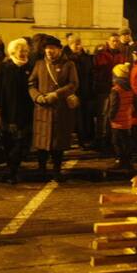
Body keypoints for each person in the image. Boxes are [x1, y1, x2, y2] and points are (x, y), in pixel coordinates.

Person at [29, 35, 79, 178]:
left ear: (59, 49)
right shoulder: (39, 64)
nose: (49, 51)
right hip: (42, 108)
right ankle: (41, 169)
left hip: (60, 109)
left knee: (59, 142)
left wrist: (56, 94)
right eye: (47, 49)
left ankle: (57, 170)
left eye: (52, 48)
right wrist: (37, 96)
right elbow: (31, 83)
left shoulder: (69, 65)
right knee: (41, 141)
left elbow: (73, 84)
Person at [0, 38, 34, 183]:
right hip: (8, 110)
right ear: (13, 51)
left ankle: (13, 170)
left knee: (22, 142)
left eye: (25, 50)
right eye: (21, 50)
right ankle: (12, 171)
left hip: (26, 110)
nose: (23, 53)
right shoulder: (6, 67)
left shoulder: (30, 66)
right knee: (9, 141)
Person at [93, 34, 128, 150]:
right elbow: (96, 71)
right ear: (108, 41)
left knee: (114, 114)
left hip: (117, 89)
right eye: (113, 41)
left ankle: (110, 140)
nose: (115, 43)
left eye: (117, 41)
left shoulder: (121, 55)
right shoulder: (101, 55)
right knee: (102, 115)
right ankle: (100, 140)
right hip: (103, 89)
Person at [63, 35, 96, 149]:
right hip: (71, 92)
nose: (77, 46)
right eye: (74, 43)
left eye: (79, 43)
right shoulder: (65, 58)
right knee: (70, 119)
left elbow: (91, 73)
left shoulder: (86, 57)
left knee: (84, 117)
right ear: (69, 44)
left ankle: (84, 140)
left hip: (85, 91)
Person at [107, 63, 136, 171]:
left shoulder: (116, 89)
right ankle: (127, 162)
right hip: (127, 120)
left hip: (117, 122)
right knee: (126, 141)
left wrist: (110, 117)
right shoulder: (130, 88)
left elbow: (114, 106)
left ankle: (120, 161)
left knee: (117, 142)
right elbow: (135, 104)